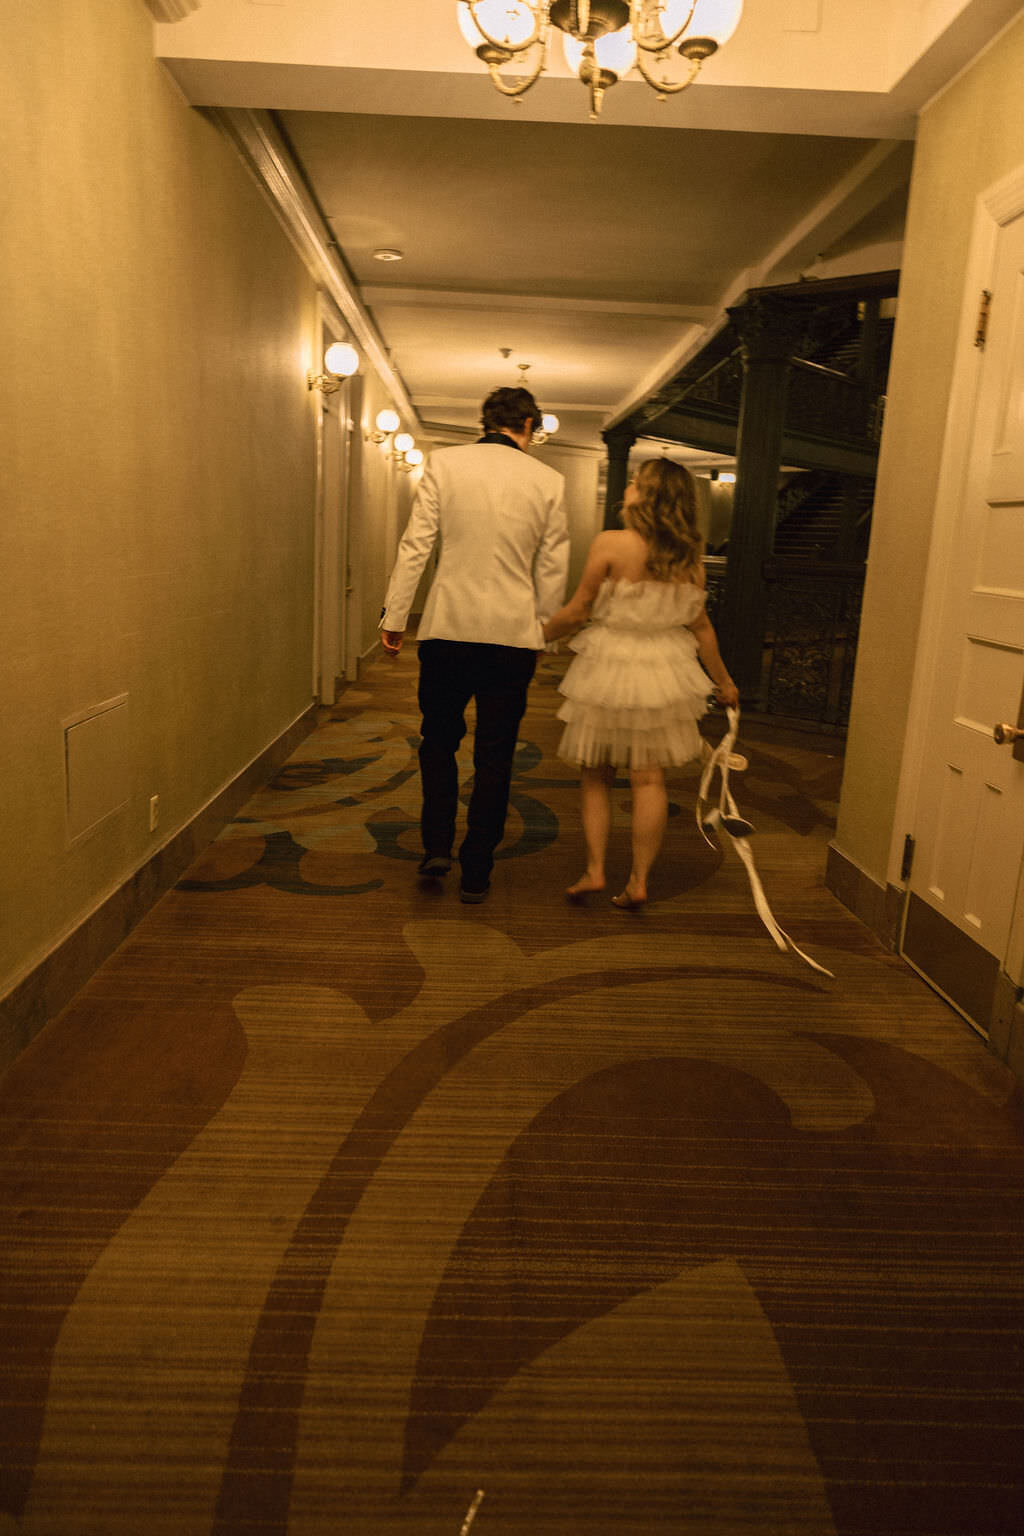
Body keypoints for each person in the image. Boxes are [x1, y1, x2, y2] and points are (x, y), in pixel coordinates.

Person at [380, 386, 569, 903]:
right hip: (511, 638)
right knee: (496, 756)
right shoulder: (549, 481)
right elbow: (552, 567)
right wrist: (545, 632)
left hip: (447, 630)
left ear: (484, 422)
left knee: (438, 742)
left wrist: (395, 615)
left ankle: (435, 845)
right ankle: (478, 868)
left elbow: (416, 545)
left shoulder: (445, 466)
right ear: (529, 425)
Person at [542, 457, 739, 910]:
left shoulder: (611, 543)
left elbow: (578, 611)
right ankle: (639, 880)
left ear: (648, 496)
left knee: (595, 774)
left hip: (609, 664)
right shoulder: (689, 557)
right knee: (649, 779)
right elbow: (702, 628)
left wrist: (536, 638)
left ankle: (595, 871)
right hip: (663, 669)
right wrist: (724, 682)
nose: (627, 488)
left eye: (634, 482)